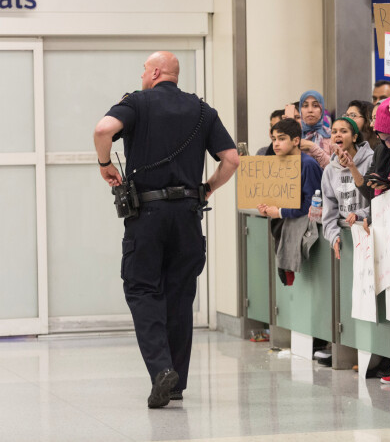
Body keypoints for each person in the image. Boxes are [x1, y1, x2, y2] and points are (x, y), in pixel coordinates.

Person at [93, 51, 239, 408]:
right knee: (179, 294)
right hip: (189, 214)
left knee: (143, 289)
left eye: (144, 68)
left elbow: (103, 129)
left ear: (156, 71)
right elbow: (232, 159)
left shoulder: (136, 103)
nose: (142, 74)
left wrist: (104, 163)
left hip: (148, 215)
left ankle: (161, 371)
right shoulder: (204, 111)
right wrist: (207, 188)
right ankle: (176, 383)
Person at [321, 117, 374, 259]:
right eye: (334, 131)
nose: (337, 135)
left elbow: (379, 199)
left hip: (370, 232)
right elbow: (329, 209)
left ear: (355, 137)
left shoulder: (370, 160)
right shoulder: (329, 170)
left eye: (343, 131)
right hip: (346, 238)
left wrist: (361, 213)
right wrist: (333, 236)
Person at [257, 118, 323, 220]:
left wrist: (280, 212)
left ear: (296, 141)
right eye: (274, 139)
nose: (276, 143)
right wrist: (267, 208)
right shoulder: (277, 165)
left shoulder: (307, 164)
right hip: (286, 227)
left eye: (281, 139)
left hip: (306, 228)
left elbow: (313, 205)